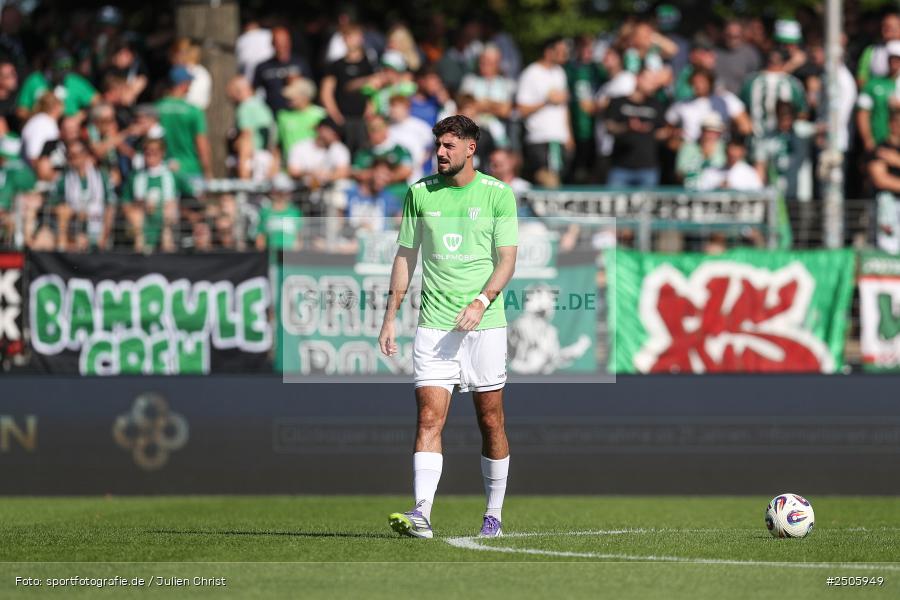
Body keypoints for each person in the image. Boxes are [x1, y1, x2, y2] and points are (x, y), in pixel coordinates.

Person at [379, 115, 517, 539]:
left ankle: (493, 514)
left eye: (449, 146)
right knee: (428, 418)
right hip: (434, 326)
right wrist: (390, 315)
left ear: (470, 148)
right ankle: (421, 513)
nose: (440, 152)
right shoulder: (419, 193)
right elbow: (406, 256)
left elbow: (507, 259)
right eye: (438, 144)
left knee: (490, 421)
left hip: (485, 324)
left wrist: (481, 301)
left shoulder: (498, 194)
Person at [516, 37, 572, 184]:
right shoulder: (531, 73)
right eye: (560, 51)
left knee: (558, 178)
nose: (564, 55)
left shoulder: (560, 73)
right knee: (548, 179)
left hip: (559, 138)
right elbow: (521, 109)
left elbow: (564, 107)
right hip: (539, 137)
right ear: (548, 52)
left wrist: (568, 134)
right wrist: (546, 102)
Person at [49, 140, 117, 251]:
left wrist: (104, 234)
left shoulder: (101, 176)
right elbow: (53, 204)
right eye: (70, 156)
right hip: (73, 228)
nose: (74, 158)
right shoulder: (63, 178)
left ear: (85, 155)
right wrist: (75, 213)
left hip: (97, 227)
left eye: (77, 155)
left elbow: (111, 205)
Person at [121, 138, 186, 253]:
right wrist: (140, 206)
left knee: (169, 213)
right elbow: (125, 203)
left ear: (162, 153)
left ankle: (167, 248)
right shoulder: (135, 176)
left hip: (166, 224)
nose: (151, 154)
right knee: (136, 217)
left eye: (155, 151)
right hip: (143, 223)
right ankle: (140, 248)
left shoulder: (172, 175)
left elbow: (191, 193)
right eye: (147, 151)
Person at [320, 24, 375, 154]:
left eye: (353, 36)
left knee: (363, 153)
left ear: (361, 38)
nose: (350, 40)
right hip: (343, 119)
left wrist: (370, 111)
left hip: (363, 120)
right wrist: (336, 116)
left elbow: (372, 91)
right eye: (347, 37)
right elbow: (326, 93)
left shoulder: (368, 64)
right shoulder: (336, 65)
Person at [605, 70, 666, 187]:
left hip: (648, 168)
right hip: (620, 167)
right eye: (649, 80)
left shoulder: (657, 105)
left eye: (654, 81)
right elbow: (609, 127)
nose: (652, 84)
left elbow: (662, 132)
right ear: (638, 78)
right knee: (616, 204)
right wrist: (627, 127)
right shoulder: (618, 102)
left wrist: (650, 130)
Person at [156, 66, 212, 182]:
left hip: (164, 169)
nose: (191, 86)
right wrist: (207, 171)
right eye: (189, 82)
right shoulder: (194, 111)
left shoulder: (157, 108)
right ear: (183, 84)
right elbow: (201, 143)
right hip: (190, 169)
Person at [740, 48, 807, 142]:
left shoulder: (792, 83)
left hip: (781, 138)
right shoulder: (751, 82)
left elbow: (801, 112)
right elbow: (802, 112)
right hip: (757, 136)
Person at [665, 68, 751, 142]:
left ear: (710, 82)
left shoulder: (726, 99)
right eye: (695, 82)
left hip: (719, 148)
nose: (698, 85)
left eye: (702, 82)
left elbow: (745, 126)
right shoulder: (682, 104)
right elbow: (667, 128)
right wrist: (675, 135)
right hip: (690, 149)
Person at [17, 50, 98, 119]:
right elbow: (21, 110)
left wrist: (78, 117)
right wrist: (41, 119)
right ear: (50, 65)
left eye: (68, 65)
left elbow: (98, 101)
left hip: (69, 128)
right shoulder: (35, 80)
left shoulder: (74, 80)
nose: (65, 70)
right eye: (61, 66)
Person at [252, 26, 312, 115]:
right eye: (278, 43)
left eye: (284, 42)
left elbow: (311, 89)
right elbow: (253, 91)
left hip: (297, 115)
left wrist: (299, 81)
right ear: (272, 44)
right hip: (272, 115)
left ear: (290, 42)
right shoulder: (263, 66)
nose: (281, 46)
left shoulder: (300, 63)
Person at [228, 75, 278, 181]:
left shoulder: (245, 108)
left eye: (230, 93)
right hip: (266, 159)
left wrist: (243, 168)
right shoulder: (262, 106)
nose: (230, 98)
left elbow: (246, 136)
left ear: (238, 92)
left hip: (253, 162)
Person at [857, 41, 900, 153]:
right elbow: (863, 113)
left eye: (898, 59)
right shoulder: (872, 85)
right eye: (892, 59)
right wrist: (868, 140)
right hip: (880, 142)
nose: (895, 63)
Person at [869, 107, 900, 254]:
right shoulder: (882, 149)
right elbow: (881, 180)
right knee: (885, 198)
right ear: (891, 124)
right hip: (889, 207)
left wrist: (897, 161)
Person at [287, 118, 351, 187]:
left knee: (344, 184)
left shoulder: (339, 148)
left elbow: (343, 172)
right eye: (334, 134)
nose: (336, 137)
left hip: (329, 188)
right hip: (302, 187)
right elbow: (293, 171)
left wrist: (326, 176)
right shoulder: (300, 147)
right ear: (321, 129)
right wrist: (311, 174)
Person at [277, 78, 326, 158]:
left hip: (315, 165)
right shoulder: (282, 115)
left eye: (293, 96)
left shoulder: (321, 114)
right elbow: (278, 144)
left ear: (305, 97)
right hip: (289, 165)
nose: (289, 99)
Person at [675, 113, 727, 189]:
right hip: (691, 191)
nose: (711, 135)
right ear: (702, 131)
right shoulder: (688, 148)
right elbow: (679, 172)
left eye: (715, 132)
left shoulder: (724, 148)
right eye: (708, 131)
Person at [697, 133, 763, 191]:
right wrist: (717, 188)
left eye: (737, 148)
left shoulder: (750, 174)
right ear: (725, 150)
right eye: (731, 147)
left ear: (743, 151)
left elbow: (758, 194)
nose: (733, 152)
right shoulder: (710, 173)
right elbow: (700, 192)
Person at [256, 173, 303, 251]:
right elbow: (260, 239)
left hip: (290, 258)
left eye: (284, 191)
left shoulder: (295, 212)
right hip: (271, 257)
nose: (282, 195)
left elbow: (298, 239)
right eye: (279, 191)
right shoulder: (265, 212)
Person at [715, 20, 761, 96]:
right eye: (729, 35)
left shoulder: (751, 54)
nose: (732, 39)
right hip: (716, 99)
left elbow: (754, 80)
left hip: (740, 100)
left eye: (735, 36)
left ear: (742, 35)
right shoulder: (715, 52)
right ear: (723, 34)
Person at [857, 12, 900, 87]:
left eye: (890, 27)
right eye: (884, 26)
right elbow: (861, 78)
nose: (886, 29)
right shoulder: (871, 50)